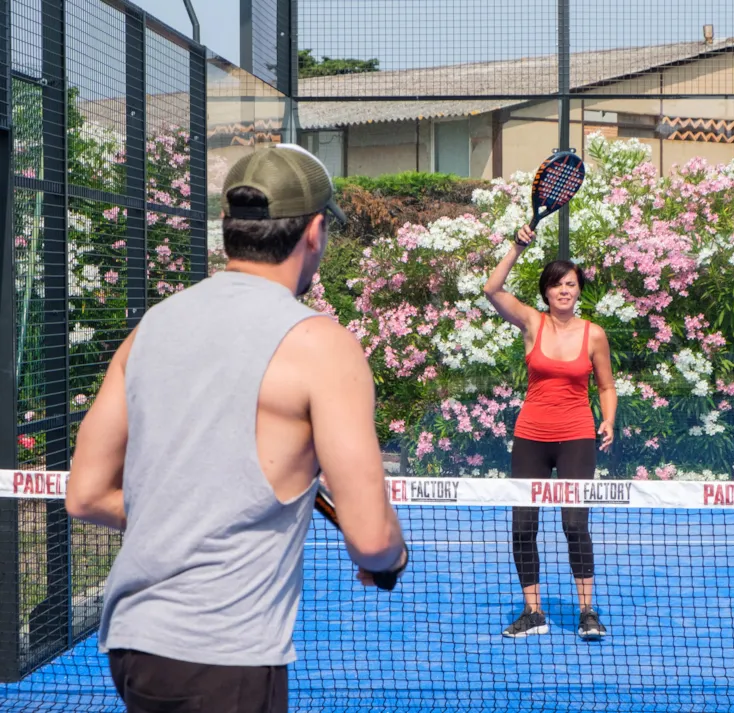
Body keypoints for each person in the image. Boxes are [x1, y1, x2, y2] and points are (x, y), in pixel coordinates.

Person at [65, 143, 408, 713]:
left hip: (133, 648)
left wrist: (191, 513)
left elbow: (86, 494)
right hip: (226, 656)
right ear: (316, 231)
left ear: (228, 226)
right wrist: (391, 559)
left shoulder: (152, 327)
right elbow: (371, 540)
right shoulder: (322, 347)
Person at [483, 224, 617, 640]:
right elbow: (491, 289)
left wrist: (608, 419)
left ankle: (587, 611)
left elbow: (606, 386)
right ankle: (533, 611)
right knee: (523, 525)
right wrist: (517, 246)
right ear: (546, 292)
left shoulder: (594, 334)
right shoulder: (530, 323)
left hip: (577, 435)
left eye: (571, 284)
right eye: (557, 284)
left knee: (575, 524)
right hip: (531, 437)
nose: (564, 291)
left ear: (579, 292)